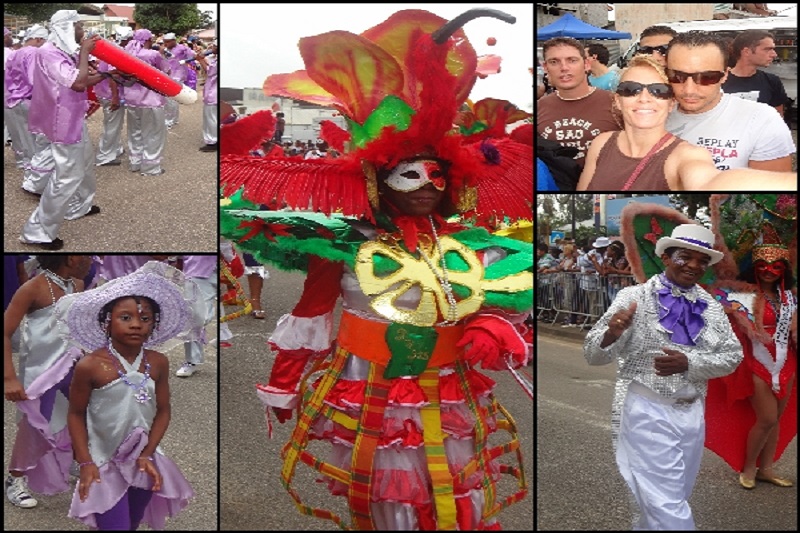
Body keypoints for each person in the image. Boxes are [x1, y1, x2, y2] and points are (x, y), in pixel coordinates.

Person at [220, 8, 532, 529]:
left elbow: (509, 295)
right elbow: (312, 316)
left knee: (459, 496)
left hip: (449, 385)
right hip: (370, 387)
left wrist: (493, 326)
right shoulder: (343, 245)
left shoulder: (472, 242)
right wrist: (285, 384)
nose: (427, 185)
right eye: (409, 174)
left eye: (437, 174)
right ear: (376, 180)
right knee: (390, 500)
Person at [584, 223, 743, 530]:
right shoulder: (634, 297)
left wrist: (689, 362)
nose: (694, 266)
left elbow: (732, 356)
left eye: (702, 260)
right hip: (647, 409)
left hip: (692, 413)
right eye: (686, 256)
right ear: (667, 257)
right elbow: (593, 354)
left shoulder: (711, 307)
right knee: (666, 502)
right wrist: (612, 332)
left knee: (670, 495)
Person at [63, 261, 195, 529]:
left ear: (153, 324)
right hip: (103, 463)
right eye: (126, 318)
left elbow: (164, 410)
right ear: (107, 322)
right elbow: (75, 413)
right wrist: (85, 460)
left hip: (143, 461)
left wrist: (147, 453)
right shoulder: (91, 365)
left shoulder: (158, 362)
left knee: (132, 522)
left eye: (144, 319)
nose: (136, 325)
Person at [577, 55, 797, 190]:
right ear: (617, 99)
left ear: (671, 102)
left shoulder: (687, 155)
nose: (644, 98)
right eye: (631, 89)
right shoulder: (601, 143)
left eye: (658, 91)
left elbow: (710, 182)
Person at [704, 196, 797, 490]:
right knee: (766, 418)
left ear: (784, 268)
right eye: (764, 265)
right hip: (756, 362)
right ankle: (748, 468)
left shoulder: (791, 297)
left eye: (776, 266)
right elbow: (720, 319)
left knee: (776, 419)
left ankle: (766, 468)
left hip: (787, 361)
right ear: (755, 267)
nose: (770, 270)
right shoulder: (741, 295)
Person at [4, 255, 93, 509]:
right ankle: (15, 478)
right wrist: (9, 377)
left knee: (80, 416)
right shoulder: (33, 287)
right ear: (70, 257)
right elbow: (5, 331)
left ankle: (78, 461)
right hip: (40, 370)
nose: (91, 259)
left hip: (73, 366)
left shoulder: (77, 283)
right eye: (85, 254)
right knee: (34, 425)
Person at [20, 11, 103, 250]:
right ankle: (37, 232)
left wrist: (107, 75)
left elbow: (82, 79)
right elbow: (77, 83)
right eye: (79, 27)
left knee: (86, 162)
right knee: (66, 176)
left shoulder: (62, 51)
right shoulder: (48, 52)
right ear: (66, 28)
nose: (82, 32)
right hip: (62, 121)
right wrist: (86, 52)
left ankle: (80, 206)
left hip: (73, 116)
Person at [664, 30, 795, 172]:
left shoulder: (762, 120)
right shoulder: (648, 114)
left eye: (707, 77)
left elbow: (771, 188)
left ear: (725, 75)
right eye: (676, 76)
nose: (689, 90)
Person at [537, 37, 622, 170]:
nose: (564, 68)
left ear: (586, 64)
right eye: (554, 62)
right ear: (546, 67)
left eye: (572, 60)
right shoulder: (540, 107)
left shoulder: (615, 103)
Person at [4, 25, 48, 193]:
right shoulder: (33, 53)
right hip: (29, 101)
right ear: (38, 39)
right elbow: (34, 80)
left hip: (13, 100)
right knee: (36, 143)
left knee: (23, 141)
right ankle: (35, 183)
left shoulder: (14, 53)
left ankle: (29, 177)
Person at [124, 29, 170, 176]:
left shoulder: (127, 55)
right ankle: (150, 167)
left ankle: (135, 162)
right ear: (148, 40)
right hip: (151, 100)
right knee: (153, 134)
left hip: (132, 99)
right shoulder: (153, 54)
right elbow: (166, 71)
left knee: (134, 132)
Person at [722, 30, 788, 117]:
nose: (774, 54)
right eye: (767, 49)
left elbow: (778, 118)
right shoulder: (718, 80)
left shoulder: (772, 81)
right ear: (746, 52)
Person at [175, 255, 217, 378]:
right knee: (195, 316)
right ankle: (192, 360)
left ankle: (223, 338)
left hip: (228, 268)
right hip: (197, 269)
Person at [161, 32, 195, 129]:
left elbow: (193, 56)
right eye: (164, 42)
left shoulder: (182, 48)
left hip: (178, 75)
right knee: (171, 98)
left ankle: (169, 120)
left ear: (173, 41)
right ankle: (173, 119)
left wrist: (185, 61)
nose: (165, 44)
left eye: (167, 42)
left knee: (171, 98)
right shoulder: (166, 49)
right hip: (168, 75)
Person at [196, 41, 218, 152]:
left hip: (213, 95)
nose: (212, 48)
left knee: (211, 119)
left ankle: (212, 142)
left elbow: (209, 71)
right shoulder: (215, 58)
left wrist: (200, 60)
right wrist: (202, 57)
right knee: (212, 118)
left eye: (214, 46)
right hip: (212, 93)